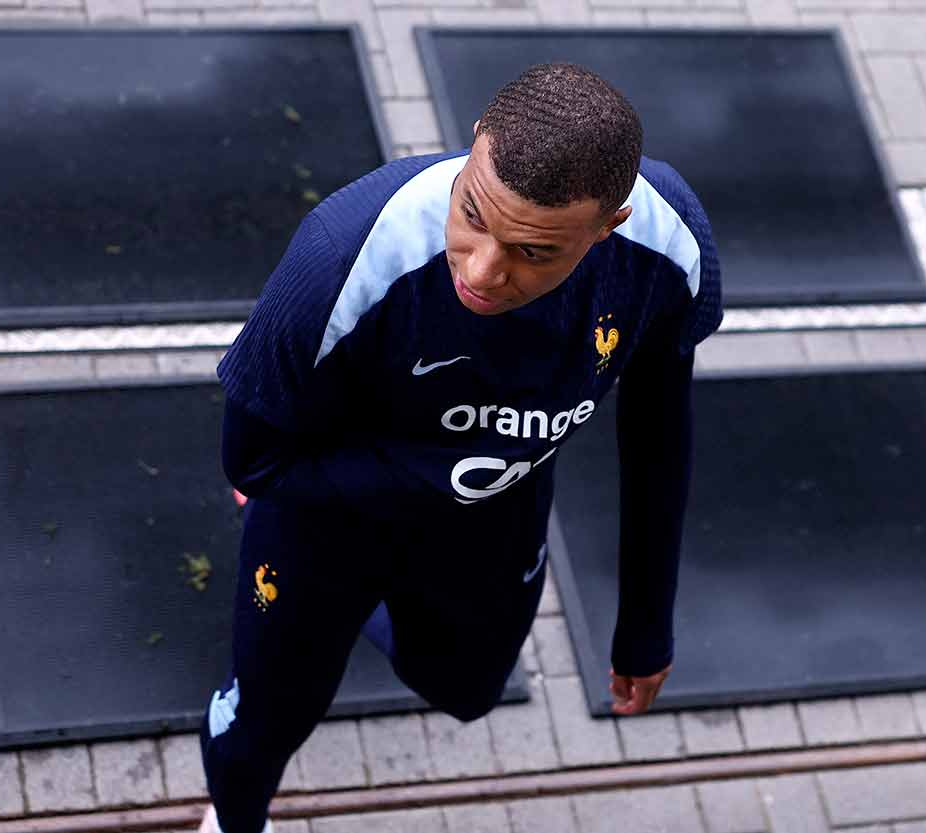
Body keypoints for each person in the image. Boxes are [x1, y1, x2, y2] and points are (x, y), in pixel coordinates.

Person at [198, 61, 723, 833]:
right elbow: (251, 459)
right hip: (323, 521)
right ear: (475, 141)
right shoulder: (341, 253)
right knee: (265, 718)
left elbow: (658, 436)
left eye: (533, 251)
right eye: (473, 213)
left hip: (492, 522)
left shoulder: (668, 244)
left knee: (468, 689)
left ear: (608, 226)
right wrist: (448, 472)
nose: (481, 270)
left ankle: (362, 614)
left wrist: (645, 625)